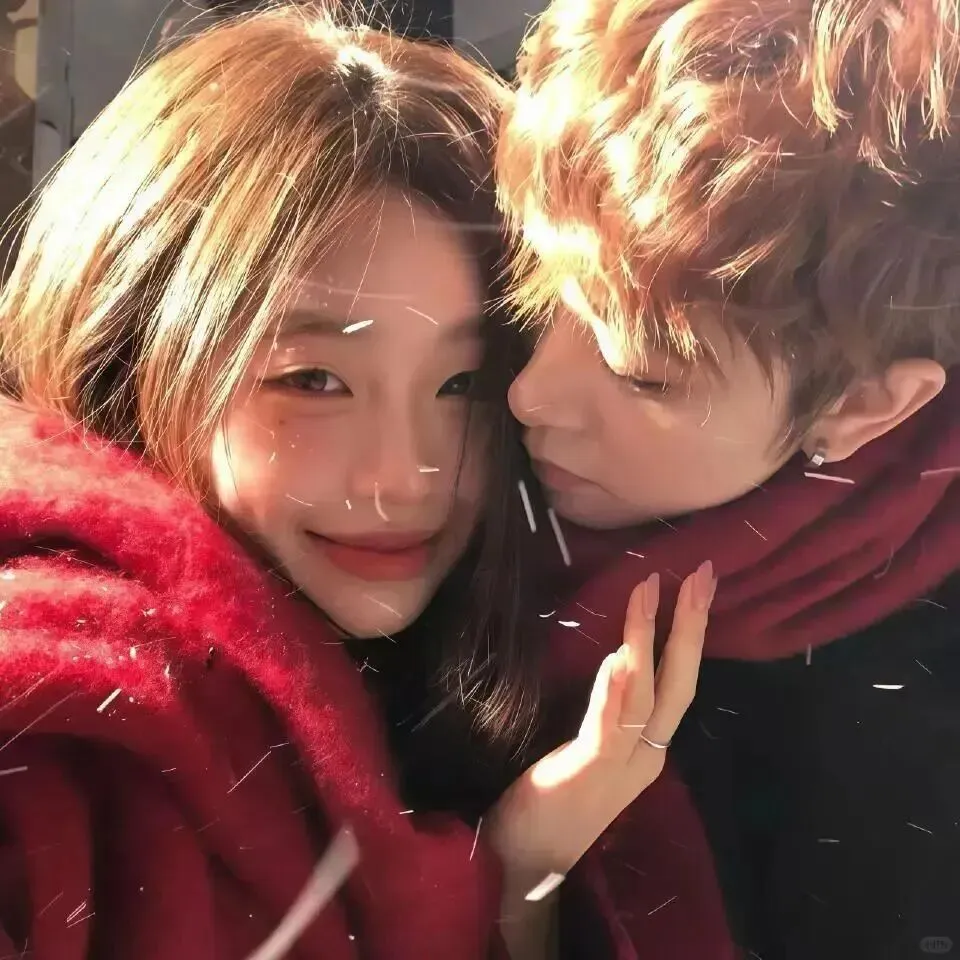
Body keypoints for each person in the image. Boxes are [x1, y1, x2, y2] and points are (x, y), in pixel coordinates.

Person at [0, 5, 713, 959]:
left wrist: (516, 883)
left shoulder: (555, 689)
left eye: (465, 384)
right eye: (312, 381)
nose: (403, 477)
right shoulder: (58, 725)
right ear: (129, 354)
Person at [495, 0, 960, 957]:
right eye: (533, 299)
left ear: (863, 408)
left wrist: (518, 883)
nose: (527, 393)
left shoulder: (896, 750)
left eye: (640, 375)